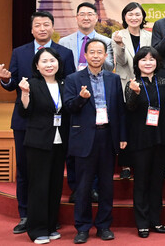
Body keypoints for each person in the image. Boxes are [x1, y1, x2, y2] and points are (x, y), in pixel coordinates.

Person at [0, 11, 75, 234]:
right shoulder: (19, 52)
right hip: (25, 120)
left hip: (56, 125)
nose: (42, 28)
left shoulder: (64, 53)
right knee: (25, 169)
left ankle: (49, 218)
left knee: (53, 172)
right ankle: (26, 215)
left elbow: (69, 84)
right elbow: (13, 83)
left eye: (46, 24)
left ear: (53, 27)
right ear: (31, 30)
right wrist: (6, 80)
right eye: (38, 25)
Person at [64, 39, 127, 244]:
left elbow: (120, 110)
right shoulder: (73, 79)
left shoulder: (113, 78)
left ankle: (104, 226)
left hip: (107, 136)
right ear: (85, 55)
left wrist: (122, 137)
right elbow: (68, 107)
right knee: (83, 186)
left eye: (100, 52)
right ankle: (82, 228)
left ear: (106, 56)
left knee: (107, 186)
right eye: (92, 52)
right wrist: (81, 98)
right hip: (84, 138)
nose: (96, 56)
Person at [124, 46, 165, 238]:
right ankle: (142, 222)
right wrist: (135, 93)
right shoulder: (132, 84)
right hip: (140, 140)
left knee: (157, 182)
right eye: (144, 59)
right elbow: (129, 108)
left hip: (161, 138)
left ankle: (156, 220)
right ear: (137, 63)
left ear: (157, 62)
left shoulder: (164, 83)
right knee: (141, 182)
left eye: (151, 59)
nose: (148, 63)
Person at [18, 47, 68, 244]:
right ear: (37, 66)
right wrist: (24, 94)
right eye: (44, 61)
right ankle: (37, 230)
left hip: (59, 141)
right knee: (38, 186)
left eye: (52, 61)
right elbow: (24, 112)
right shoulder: (31, 84)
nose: (49, 65)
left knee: (55, 185)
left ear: (58, 63)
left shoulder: (65, 83)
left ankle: (50, 226)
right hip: (39, 142)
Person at [112, 2, 152, 180]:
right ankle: (126, 165)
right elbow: (120, 62)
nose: (134, 17)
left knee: (143, 123)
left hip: (146, 84)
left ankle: (143, 161)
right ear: (124, 17)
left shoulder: (149, 35)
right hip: (125, 84)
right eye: (130, 14)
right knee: (126, 123)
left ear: (142, 16)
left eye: (137, 14)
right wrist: (120, 45)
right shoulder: (118, 36)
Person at [59, 2, 114, 72]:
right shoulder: (64, 42)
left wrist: (99, 56)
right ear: (76, 18)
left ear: (96, 18)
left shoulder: (107, 42)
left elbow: (109, 68)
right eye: (82, 15)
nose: (86, 18)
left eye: (90, 14)